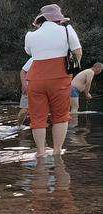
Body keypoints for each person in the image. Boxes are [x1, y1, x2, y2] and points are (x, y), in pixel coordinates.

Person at [24, 4, 82, 157]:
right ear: (58, 19)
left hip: (35, 79)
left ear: (41, 20)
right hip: (60, 78)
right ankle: (57, 151)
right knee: (60, 116)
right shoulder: (67, 30)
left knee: (37, 117)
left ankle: (40, 152)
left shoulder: (30, 35)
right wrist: (70, 72)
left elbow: (30, 52)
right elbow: (78, 51)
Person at [18, 57, 33, 127]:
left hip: (42, 88)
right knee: (24, 111)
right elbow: (22, 71)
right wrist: (24, 85)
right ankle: (19, 126)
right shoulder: (33, 59)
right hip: (29, 87)